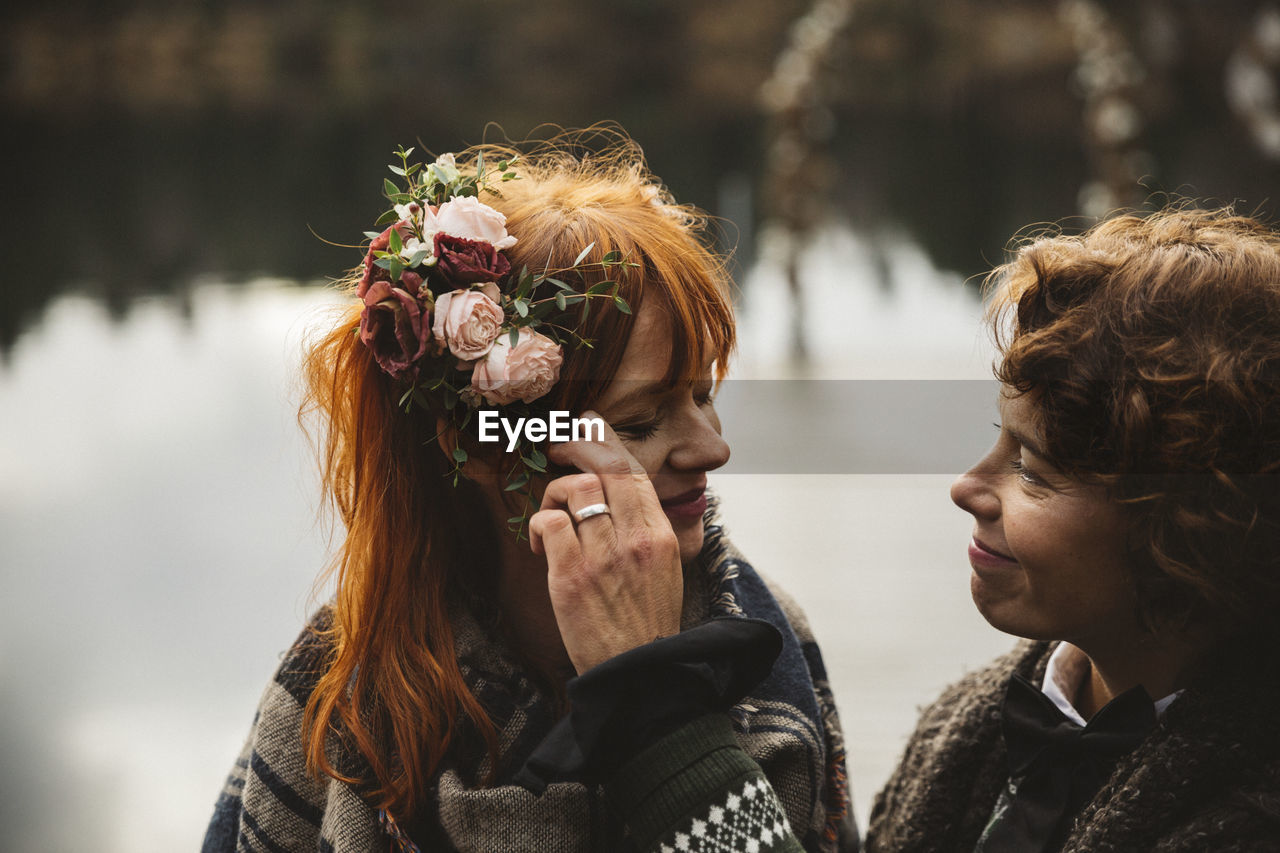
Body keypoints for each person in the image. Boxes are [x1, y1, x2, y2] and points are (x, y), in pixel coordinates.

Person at [202, 131, 854, 853]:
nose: (713, 448)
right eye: (639, 420)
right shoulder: (339, 700)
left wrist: (660, 708)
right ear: (481, 448)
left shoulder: (766, 641)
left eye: (704, 394)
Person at [866, 206, 1280, 851]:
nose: (966, 488)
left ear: (1186, 525)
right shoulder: (962, 731)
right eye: (998, 441)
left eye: (1030, 468)